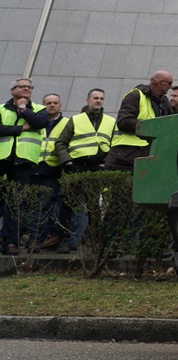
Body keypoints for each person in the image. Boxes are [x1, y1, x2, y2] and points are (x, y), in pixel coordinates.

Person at [52, 88, 115, 252]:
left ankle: (92, 241)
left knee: (94, 206)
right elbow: (60, 143)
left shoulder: (110, 121)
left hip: (96, 167)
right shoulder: (75, 119)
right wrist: (67, 162)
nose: (99, 100)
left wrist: (106, 163)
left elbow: (115, 146)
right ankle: (64, 240)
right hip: (75, 166)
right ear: (88, 100)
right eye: (95, 98)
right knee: (68, 204)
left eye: (101, 98)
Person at [0, 78, 50, 255]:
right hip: (2, 158)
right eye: (22, 86)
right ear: (12, 90)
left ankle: (10, 243)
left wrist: (23, 109)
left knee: (15, 203)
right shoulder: (1, 108)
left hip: (23, 162)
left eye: (29, 87)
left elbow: (39, 123)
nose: (27, 89)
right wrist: (21, 129)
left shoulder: (38, 109)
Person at [104, 70, 173, 171]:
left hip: (146, 157)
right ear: (160, 83)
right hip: (124, 157)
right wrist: (152, 127)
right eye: (170, 83)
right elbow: (124, 122)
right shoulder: (135, 95)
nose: (171, 87)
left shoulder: (164, 102)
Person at [32, 93, 67, 252]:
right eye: (48, 103)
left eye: (55, 103)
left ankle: (41, 239)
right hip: (34, 167)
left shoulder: (67, 123)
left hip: (53, 169)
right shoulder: (37, 122)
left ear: (60, 105)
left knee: (48, 205)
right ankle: (32, 239)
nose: (51, 105)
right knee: (32, 206)